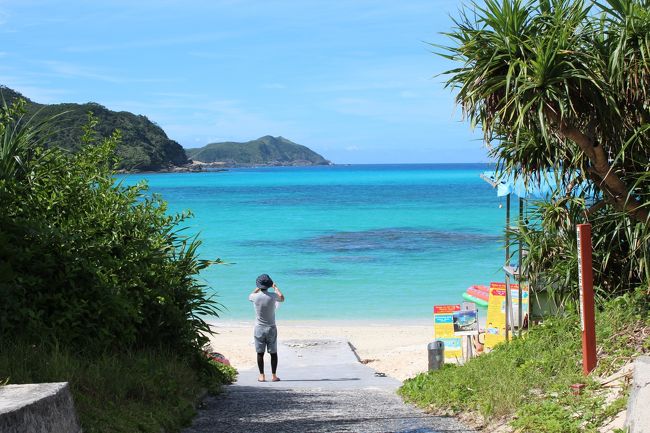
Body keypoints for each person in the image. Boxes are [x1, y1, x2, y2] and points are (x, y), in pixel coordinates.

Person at [249, 274, 285, 382]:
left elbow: (250, 295)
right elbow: (282, 298)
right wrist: (275, 288)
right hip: (271, 327)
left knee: (260, 353)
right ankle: (274, 376)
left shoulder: (254, 297)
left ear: (259, 286)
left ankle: (262, 375)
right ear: (269, 285)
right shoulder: (273, 296)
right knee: (273, 352)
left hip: (259, 328)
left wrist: (258, 287)